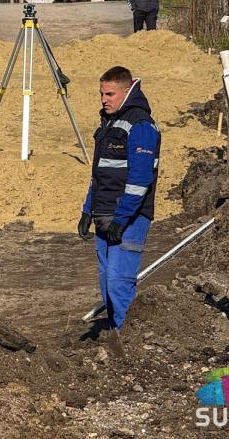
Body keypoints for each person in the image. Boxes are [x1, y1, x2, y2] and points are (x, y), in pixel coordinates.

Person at [77, 66, 161, 357]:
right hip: (104, 216)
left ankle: (127, 342)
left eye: (109, 93)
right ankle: (115, 333)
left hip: (129, 219)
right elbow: (100, 174)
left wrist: (121, 219)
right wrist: (87, 210)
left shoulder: (140, 126)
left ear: (127, 91)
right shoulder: (108, 124)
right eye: (101, 93)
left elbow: (140, 181)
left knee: (119, 281)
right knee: (105, 280)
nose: (103, 99)